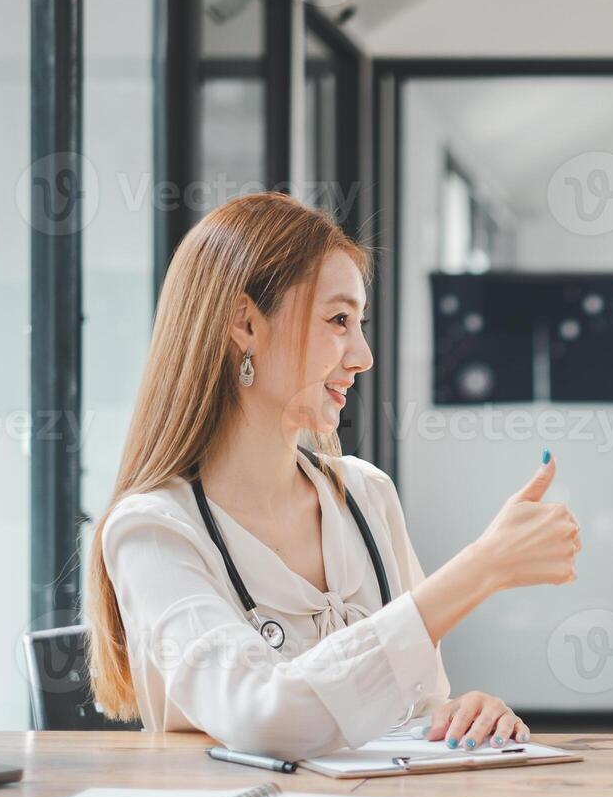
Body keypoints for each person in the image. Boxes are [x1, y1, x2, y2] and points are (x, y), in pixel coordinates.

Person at [84, 192, 581, 761]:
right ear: (244, 322)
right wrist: (482, 567)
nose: (363, 355)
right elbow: (266, 717)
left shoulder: (367, 496)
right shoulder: (153, 530)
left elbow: (419, 703)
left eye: (360, 323)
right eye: (339, 320)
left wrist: (465, 715)